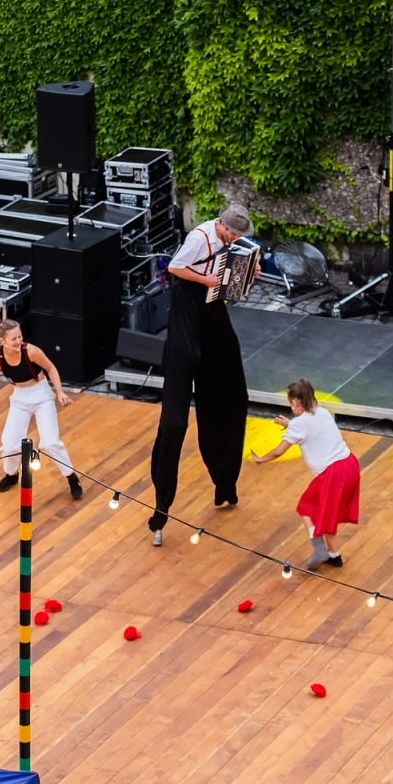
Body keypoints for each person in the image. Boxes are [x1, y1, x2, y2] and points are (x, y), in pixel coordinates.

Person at [147, 204, 254, 545]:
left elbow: (229, 274)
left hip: (211, 304)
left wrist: (246, 274)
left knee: (230, 386)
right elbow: (175, 268)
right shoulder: (199, 238)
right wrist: (206, 278)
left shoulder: (228, 241)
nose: (235, 239)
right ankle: (162, 504)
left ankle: (225, 482)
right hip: (187, 304)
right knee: (177, 413)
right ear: (221, 227)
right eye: (232, 234)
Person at [251, 378, 360, 570]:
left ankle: (322, 551)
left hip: (333, 474)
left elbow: (278, 451)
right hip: (349, 465)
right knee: (322, 511)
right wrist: (290, 425)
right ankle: (333, 556)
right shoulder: (324, 413)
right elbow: (309, 428)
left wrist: (260, 459)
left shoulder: (298, 425)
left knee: (314, 510)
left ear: (294, 402)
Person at [0, 318, 81, 499]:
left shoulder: (30, 351)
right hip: (19, 397)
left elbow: (51, 368)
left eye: (20, 336)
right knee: (9, 444)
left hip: (41, 395)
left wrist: (60, 392)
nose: (18, 341)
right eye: (13, 338)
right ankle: (11, 474)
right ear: (3, 341)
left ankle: (71, 476)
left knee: (49, 442)